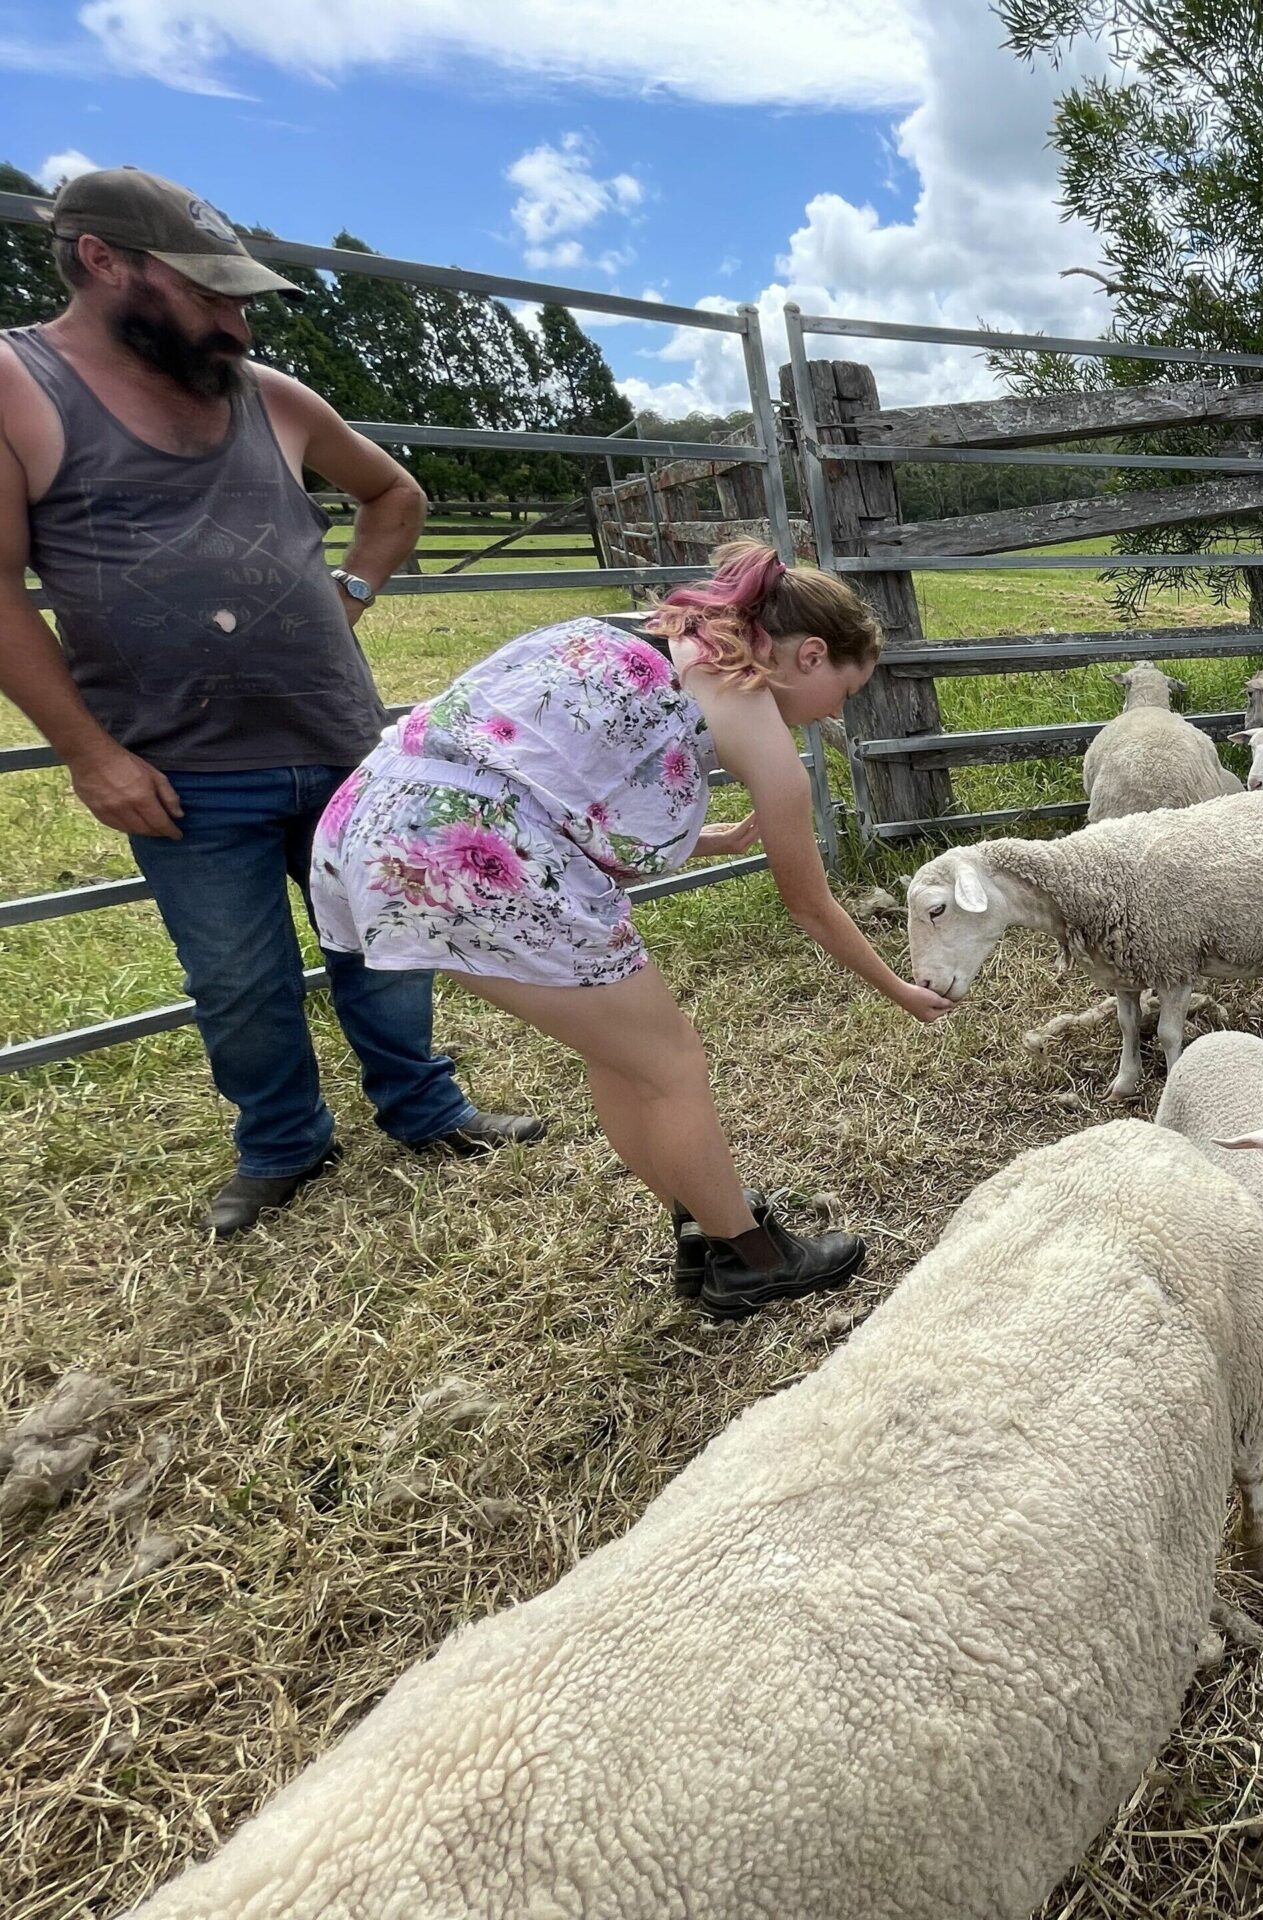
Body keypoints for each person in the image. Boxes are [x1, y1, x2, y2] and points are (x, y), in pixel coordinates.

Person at [0, 166, 541, 1238]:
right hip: (180, 764)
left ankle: (426, 1111)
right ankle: (284, 1142)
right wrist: (89, 753)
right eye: (210, 293)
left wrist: (344, 597)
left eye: (242, 296)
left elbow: (395, 495)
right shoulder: (18, 387)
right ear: (104, 261)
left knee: (383, 943)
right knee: (239, 979)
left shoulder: (271, 395)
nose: (238, 319)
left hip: (339, 741)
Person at [308, 541, 953, 1319]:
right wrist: (898, 989)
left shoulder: (638, 636)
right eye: (843, 690)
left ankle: (700, 1221)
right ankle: (750, 1258)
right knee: (672, 1060)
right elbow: (810, 906)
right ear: (810, 654)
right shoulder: (749, 701)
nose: (836, 713)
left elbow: (556, 766)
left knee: (622, 1056)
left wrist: (707, 839)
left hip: (374, 818)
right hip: (463, 845)